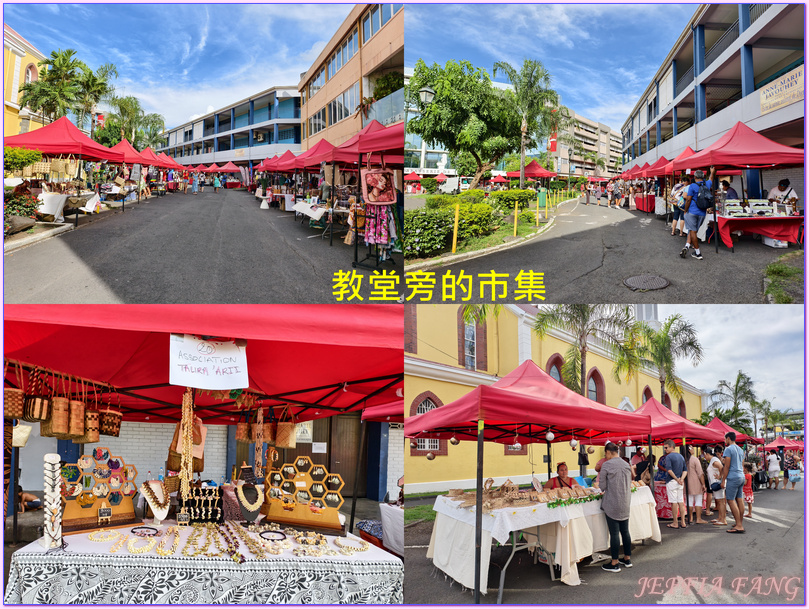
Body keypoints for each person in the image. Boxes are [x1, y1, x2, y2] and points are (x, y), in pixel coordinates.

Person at [599, 442, 633, 572]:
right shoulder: (626, 464)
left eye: (605, 453)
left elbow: (602, 486)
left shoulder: (606, 465)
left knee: (614, 533)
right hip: (625, 501)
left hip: (612, 502)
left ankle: (614, 563)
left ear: (608, 452)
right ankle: (627, 558)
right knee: (625, 531)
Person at [679, 166, 716, 261]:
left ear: (694, 177)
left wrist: (686, 210)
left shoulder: (692, 186)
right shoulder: (707, 184)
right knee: (693, 231)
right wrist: (712, 172)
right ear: (703, 177)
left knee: (693, 231)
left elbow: (688, 200)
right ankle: (687, 245)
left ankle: (698, 253)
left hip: (692, 212)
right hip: (702, 213)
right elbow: (711, 178)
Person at [720, 431, 746, 533]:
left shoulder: (728, 449)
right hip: (741, 476)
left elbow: (727, 466)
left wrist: (723, 480)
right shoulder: (740, 449)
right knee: (739, 499)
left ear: (728, 439)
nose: (725, 441)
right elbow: (742, 463)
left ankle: (739, 525)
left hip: (733, 477)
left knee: (730, 500)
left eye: (725, 439)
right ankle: (739, 522)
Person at [663, 439, 687, 529]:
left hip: (672, 481)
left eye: (666, 447)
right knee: (681, 502)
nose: (665, 449)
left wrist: (677, 479)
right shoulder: (681, 456)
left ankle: (675, 522)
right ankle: (683, 522)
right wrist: (681, 479)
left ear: (671, 447)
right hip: (680, 482)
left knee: (673, 503)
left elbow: (669, 470)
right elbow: (685, 470)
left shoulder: (668, 457)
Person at [686, 446, 707, 524]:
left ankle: (690, 517)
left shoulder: (684, 460)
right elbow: (700, 473)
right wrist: (703, 484)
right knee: (698, 500)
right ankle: (698, 518)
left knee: (689, 501)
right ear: (689, 450)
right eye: (692, 448)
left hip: (687, 483)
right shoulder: (695, 459)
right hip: (696, 482)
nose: (693, 449)